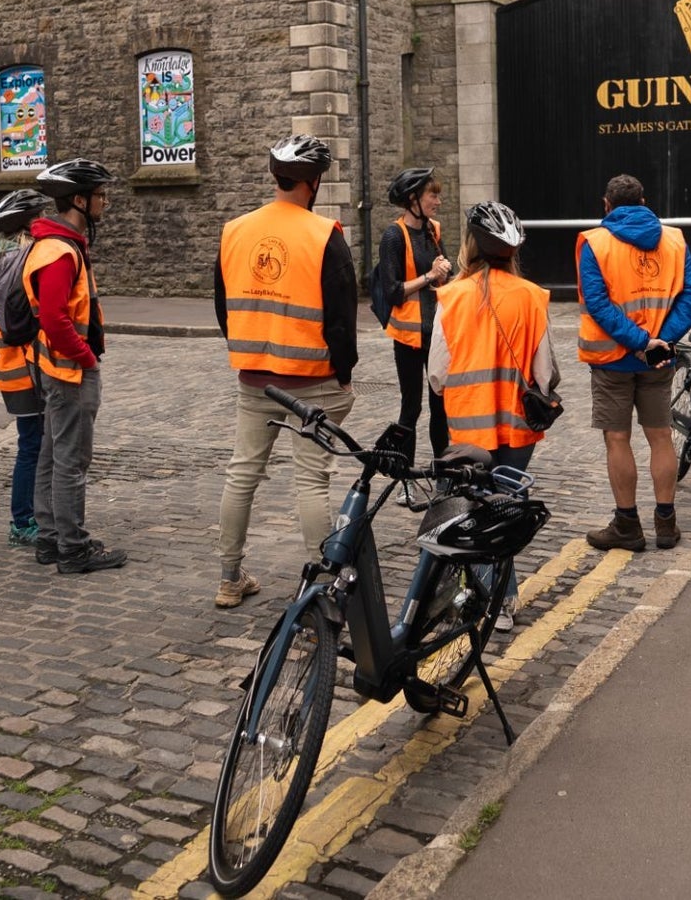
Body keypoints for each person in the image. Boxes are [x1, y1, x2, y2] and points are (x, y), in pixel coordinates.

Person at [212, 134, 359, 609]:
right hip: (311, 379)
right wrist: (345, 372)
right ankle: (323, 588)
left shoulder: (234, 230)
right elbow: (342, 316)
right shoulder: (323, 235)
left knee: (242, 473)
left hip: (255, 377)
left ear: (276, 178)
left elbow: (223, 305)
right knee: (312, 481)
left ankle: (229, 578)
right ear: (313, 182)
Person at [428, 200, 558, 631]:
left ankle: (486, 599)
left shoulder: (451, 298)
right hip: (517, 429)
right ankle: (502, 600)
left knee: (472, 510)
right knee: (505, 509)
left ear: (471, 245)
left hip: (468, 429)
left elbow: (437, 375)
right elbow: (544, 374)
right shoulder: (532, 297)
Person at [577, 174, 691, 552]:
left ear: (606, 204)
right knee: (661, 435)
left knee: (618, 438)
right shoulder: (675, 240)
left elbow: (598, 304)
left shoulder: (595, 243)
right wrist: (661, 342)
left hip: (613, 359)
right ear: (644, 201)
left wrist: (638, 342)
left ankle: (627, 526)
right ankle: (666, 524)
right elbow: (690, 297)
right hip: (658, 361)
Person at [26, 158, 126, 574]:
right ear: (80, 201)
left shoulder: (56, 244)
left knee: (52, 452)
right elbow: (53, 317)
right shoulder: (60, 252)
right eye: (100, 195)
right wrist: (85, 358)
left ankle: (50, 538)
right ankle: (73, 547)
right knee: (71, 459)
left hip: (54, 366)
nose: (105, 202)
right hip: (69, 370)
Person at [0, 188, 50, 545]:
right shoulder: (18, 261)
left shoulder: (0, 259)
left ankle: (33, 513)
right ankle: (23, 520)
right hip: (23, 366)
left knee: (34, 441)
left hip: (10, 366)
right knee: (32, 444)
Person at [373, 167, 454, 461]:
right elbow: (393, 290)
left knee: (440, 404)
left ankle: (443, 471)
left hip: (436, 333)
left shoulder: (434, 229)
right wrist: (430, 275)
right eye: (433, 194)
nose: (438, 201)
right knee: (411, 407)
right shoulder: (394, 236)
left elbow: (445, 273)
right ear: (413, 199)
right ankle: (404, 475)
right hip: (408, 336)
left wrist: (443, 272)